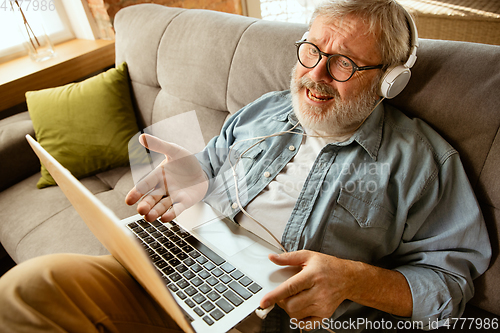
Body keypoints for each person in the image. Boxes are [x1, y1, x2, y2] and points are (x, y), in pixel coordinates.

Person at [0, 0, 491, 332]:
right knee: (28, 288)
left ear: (390, 82)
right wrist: (196, 174)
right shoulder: (266, 109)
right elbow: (210, 164)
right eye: (312, 51)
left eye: (343, 64)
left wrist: (353, 281)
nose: (315, 76)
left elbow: (451, 282)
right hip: (180, 262)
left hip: (266, 316)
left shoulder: (423, 163)